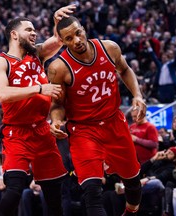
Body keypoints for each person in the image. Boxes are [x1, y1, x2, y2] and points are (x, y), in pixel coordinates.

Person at [48, 16, 147, 216]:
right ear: (63, 42)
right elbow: (57, 104)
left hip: (114, 122)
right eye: (68, 38)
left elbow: (125, 70)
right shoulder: (58, 68)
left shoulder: (110, 48)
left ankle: (130, 212)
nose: (76, 40)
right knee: (92, 190)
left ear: (84, 29)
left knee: (133, 183)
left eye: (78, 33)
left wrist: (137, 95)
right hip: (84, 130)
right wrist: (56, 120)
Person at [0, 5, 76, 216]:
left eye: (35, 29)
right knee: (15, 191)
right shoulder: (0, 61)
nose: (34, 32)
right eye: (29, 29)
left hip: (42, 131)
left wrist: (57, 22)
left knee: (55, 194)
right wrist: (40, 88)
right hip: (17, 132)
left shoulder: (37, 54)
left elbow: (60, 40)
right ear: (14, 34)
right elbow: (3, 94)